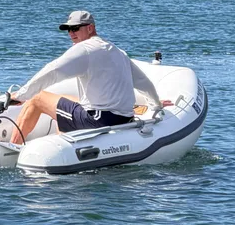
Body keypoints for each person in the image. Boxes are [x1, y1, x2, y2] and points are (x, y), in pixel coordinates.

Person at [9, 11, 161, 145]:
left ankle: (12, 148)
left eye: (75, 28)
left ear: (90, 28)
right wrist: (156, 104)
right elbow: (142, 82)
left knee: (37, 98)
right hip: (123, 119)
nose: (71, 33)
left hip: (98, 120)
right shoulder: (117, 51)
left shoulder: (84, 49)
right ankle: (63, 140)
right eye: (69, 29)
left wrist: (22, 95)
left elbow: (53, 71)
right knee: (69, 100)